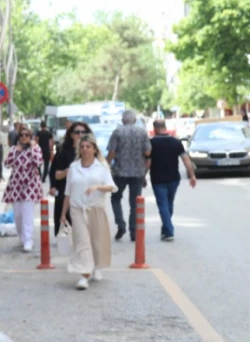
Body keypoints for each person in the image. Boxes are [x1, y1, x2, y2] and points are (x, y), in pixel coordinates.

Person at [61, 133, 117, 290]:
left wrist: (97, 187)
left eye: (88, 147)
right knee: (82, 242)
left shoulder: (102, 167)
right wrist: (63, 214)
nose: (85, 149)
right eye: (82, 147)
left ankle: (96, 266)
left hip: (96, 208)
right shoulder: (73, 168)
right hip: (77, 210)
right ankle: (83, 275)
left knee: (96, 241)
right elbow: (68, 192)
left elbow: (111, 186)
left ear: (94, 149)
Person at [106, 110, 152, 242]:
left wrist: (106, 165)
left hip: (120, 172)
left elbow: (112, 152)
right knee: (135, 203)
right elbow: (148, 151)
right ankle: (134, 232)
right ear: (135, 120)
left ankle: (121, 224)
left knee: (115, 198)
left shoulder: (117, 132)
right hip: (138, 173)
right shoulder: (142, 132)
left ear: (122, 120)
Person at [149, 119, 197, 242]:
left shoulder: (151, 143)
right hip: (173, 179)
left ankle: (168, 230)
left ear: (155, 129)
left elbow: (148, 162)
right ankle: (166, 230)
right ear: (165, 127)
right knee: (169, 203)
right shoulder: (176, 142)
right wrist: (192, 175)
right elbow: (186, 160)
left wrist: (142, 176)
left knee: (163, 204)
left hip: (158, 179)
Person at [3, 124, 44, 252]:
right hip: (16, 185)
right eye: (22, 135)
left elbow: (38, 163)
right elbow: (7, 164)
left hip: (30, 185)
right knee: (18, 215)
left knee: (27, 213)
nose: (24, 137)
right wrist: (16, 151)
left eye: (27, 135)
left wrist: (32, 148)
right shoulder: (14, 149)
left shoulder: (36, 148)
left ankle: (28, 240)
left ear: (31, 137)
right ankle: (22, 238)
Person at [48, 122, 91, 236]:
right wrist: (69, 171)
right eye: (77, 132)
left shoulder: (92, 152)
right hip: (66, 192)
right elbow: (55, 174)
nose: (80, 135)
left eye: (83, 132)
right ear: (71, 135)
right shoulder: (64, 152)